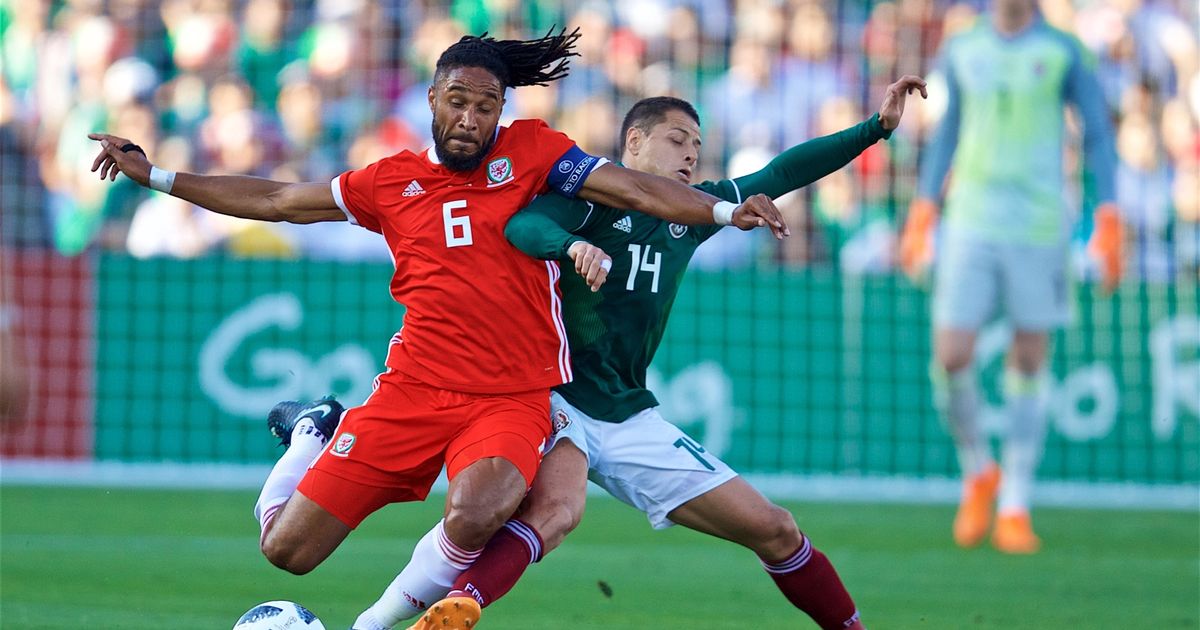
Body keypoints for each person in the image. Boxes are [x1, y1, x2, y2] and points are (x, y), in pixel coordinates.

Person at [87, 29, 788, 630]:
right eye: (458, 102)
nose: (470, 119)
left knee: (482, 505)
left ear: (501, 112)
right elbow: (278, 198)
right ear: (432, 99)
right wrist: (159, 177)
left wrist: (722, 213)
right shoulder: (387, 182)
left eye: (487, 107)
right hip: (414, 389)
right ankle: (314, 432)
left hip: (511, 394)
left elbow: (636, 187)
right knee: (287, 552)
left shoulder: (537, 152)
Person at [347, 75, 928, 630]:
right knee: (556, 511)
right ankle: (454, 608)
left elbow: (781, 171)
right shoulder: (587, 195)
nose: (690, 155)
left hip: (628, 414)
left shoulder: (693, 213)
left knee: (775, 528)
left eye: (697, 146)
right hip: (554, 396)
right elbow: (522, 227)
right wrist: (573, 246)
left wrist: (875, 127)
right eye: (677, 140)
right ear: (634, 141)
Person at [897, 0, 1122, 554]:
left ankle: (1016, 502)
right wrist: (923, 209)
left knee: (1029, 356)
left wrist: (1111, 216)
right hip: (971, 220)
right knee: (951, 353)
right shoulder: (964, 46)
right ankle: (978, 470)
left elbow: (1097, 132)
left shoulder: (1064, 50)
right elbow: (947, 132)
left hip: (1041, 225)